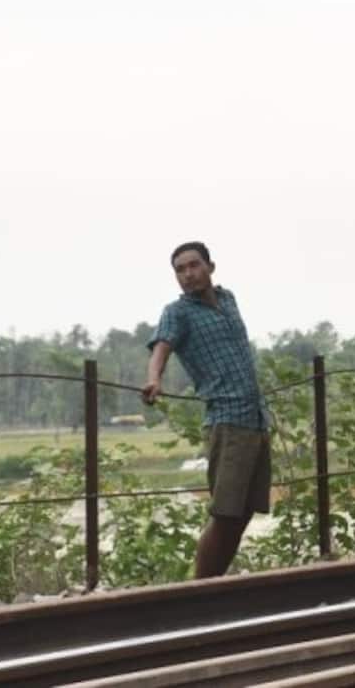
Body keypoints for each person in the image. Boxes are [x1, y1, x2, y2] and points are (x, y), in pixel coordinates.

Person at [143, 241, 271, 577]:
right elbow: (161, 346)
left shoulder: (228, 299)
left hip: (255, 417)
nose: (188, 274)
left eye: (193, 265)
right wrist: (154, 379)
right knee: (225, 512)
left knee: (244, 512)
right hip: (227, 420)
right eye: (180, 270)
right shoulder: (178, 312)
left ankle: (215, 585)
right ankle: (200, 590)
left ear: (210, 267)